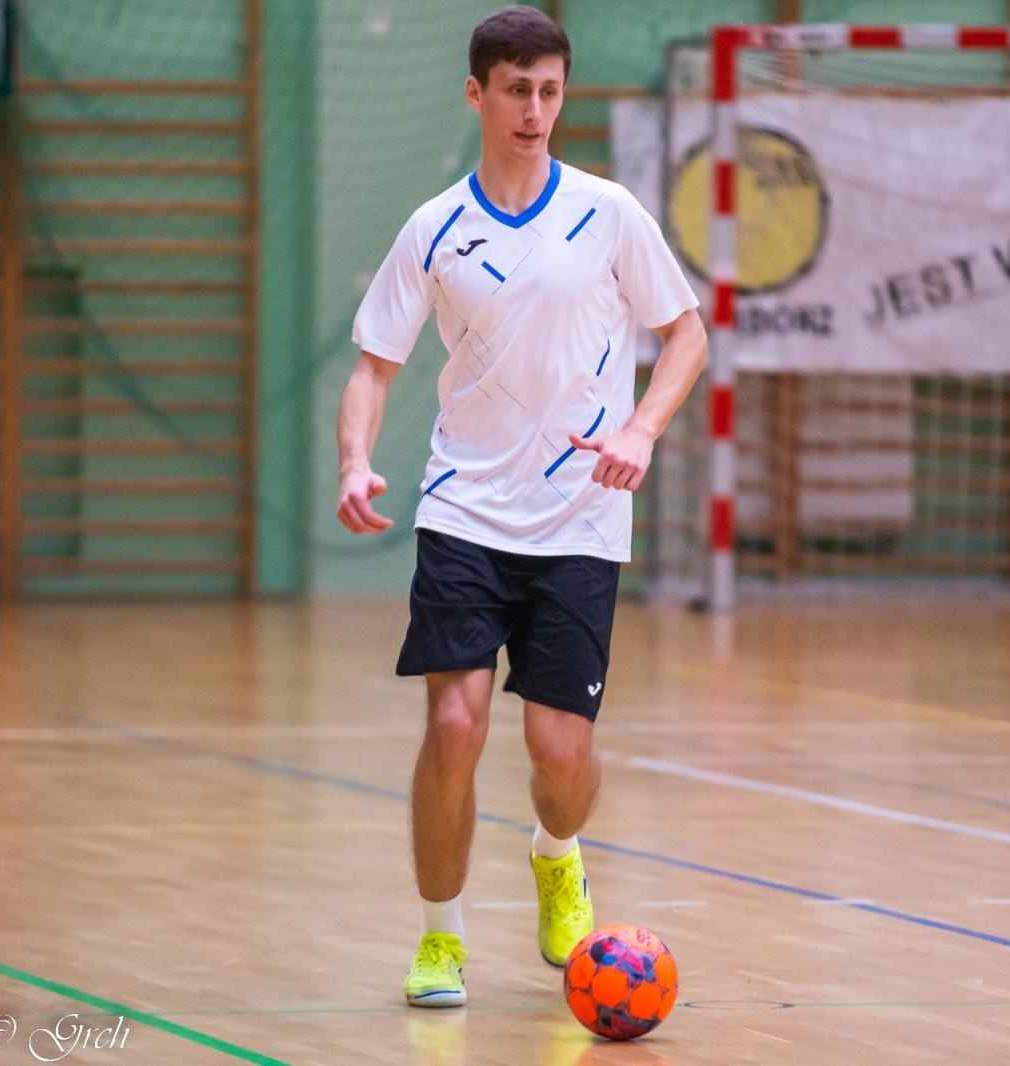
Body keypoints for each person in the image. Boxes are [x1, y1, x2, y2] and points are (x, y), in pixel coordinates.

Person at [335, 5, 705, 1008]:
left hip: (582, 518)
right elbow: (372, 365)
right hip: (465, 511)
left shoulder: (610, 211)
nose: (534, 109)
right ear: (477, 94)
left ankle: (557, 852)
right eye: (515, 90)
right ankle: (441, 938)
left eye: (549, 90)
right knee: (454, 724)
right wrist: (356, 460)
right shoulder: (435, 228)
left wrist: (639, 433)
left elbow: (686, 337)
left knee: (558, 752)